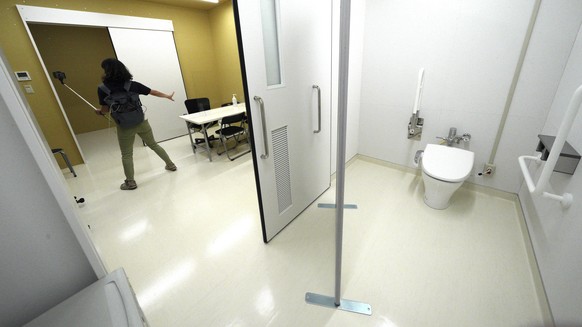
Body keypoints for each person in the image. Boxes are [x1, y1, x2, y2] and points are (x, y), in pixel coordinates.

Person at [97, 58, 177, 190]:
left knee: (127, 154)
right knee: (154, 145)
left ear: (106, 71)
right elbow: (153, 92)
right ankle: (170, 165)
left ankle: (130, 182)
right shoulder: (132, 85)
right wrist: (167, 96)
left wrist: (99, 112)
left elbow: (105, 110)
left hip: (124, 127)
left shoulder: (102, 89)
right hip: (141, 122)